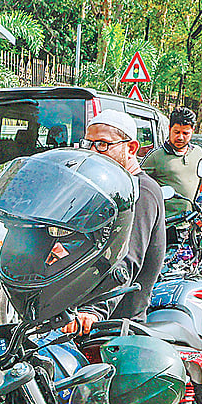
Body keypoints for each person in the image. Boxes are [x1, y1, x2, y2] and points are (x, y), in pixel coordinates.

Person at [61, 109, 165, 334]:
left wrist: (95, 310)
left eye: (102, 144)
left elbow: (127, 257)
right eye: (88, 143)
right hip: (79, 321)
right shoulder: (107, 189)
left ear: (131, 148)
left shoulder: (142, 191)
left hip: (118, 328)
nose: (93, 152)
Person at [141, 106, 202, 220]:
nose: (180, 137)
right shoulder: (156, 156)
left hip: (191, 223)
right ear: (170, 128)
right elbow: (139, 184)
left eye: (185, 133)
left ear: (193, 131)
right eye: (176, 132)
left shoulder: (198, 152)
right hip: (166, 224)